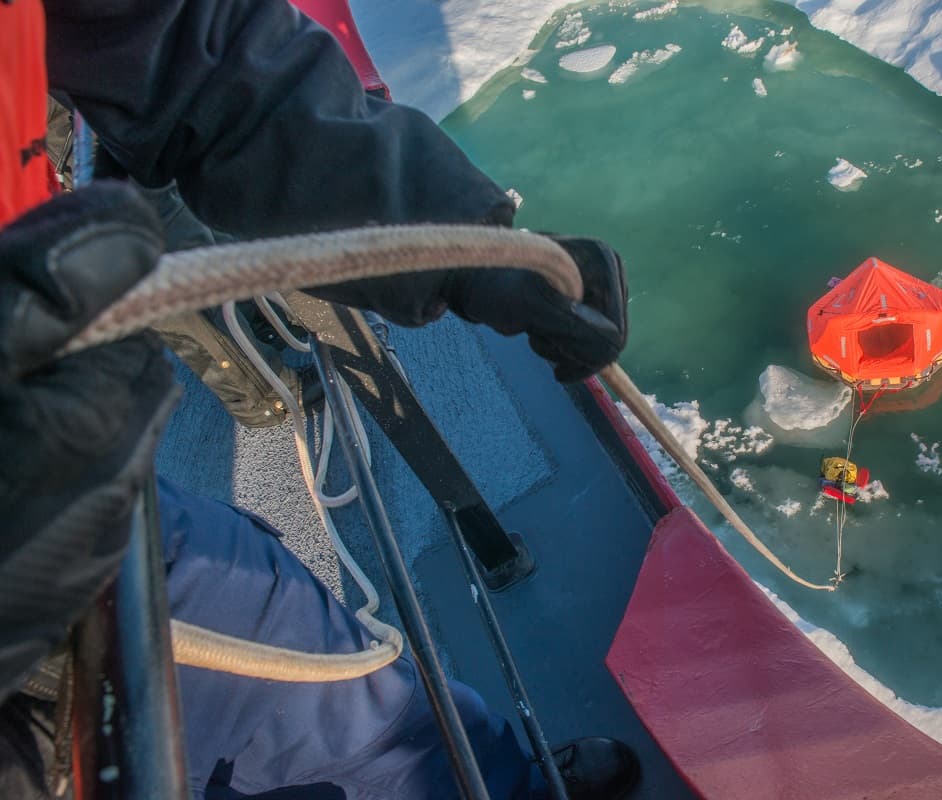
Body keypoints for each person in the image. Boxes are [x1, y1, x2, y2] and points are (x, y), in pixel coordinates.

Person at [0, 0, 639, 797]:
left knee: (316, 675)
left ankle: (501, 787)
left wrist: (455, 244)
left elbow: (190, 49)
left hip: (56, 466)